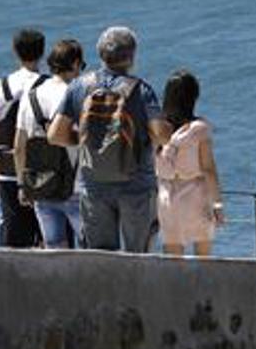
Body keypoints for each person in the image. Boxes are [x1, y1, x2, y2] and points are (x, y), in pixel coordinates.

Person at [48, 26, 171, 252]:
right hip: (136, 185)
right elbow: (161, 134)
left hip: (93, 184)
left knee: (101, 257)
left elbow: (55, 135)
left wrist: (83, 138)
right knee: (138, 255)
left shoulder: (79, 87)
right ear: (131, 57)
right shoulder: (141, 90)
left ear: (101, 54)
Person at [0, 27, 49, 248]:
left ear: (15, 52)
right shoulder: (49, 85)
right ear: (42, 53)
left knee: (14, 247)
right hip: (45, 175)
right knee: (50, 243)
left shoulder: (3, 87)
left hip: (9, 176)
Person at [13, 38, 85, 249]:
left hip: (41, 186)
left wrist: (22, 185)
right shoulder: (74, 94)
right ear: (75, 63)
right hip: (75, 186)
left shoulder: (31, 96)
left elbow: (18, 146)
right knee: (91, 249)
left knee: (54, 250)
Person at [154, 70, 225, 257]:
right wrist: (217, 204)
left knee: (173, 259)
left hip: (166, 197)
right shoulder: (199, 130)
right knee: (203, 260)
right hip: (196, 196)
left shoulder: (157, 129)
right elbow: (208, 169)